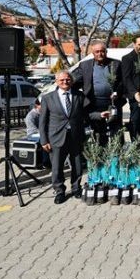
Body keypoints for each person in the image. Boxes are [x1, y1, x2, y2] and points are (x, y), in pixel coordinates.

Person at [39, 71, 86, 204]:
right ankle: (60, 191)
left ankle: (76, 188)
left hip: (75, 136)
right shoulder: (48, 98)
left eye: (68, 79)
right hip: (56, 137)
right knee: (57, 166)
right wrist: (44, 140)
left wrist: (100, 115)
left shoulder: (79, 95)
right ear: (56, 82)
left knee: (77, 164)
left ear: (71, 81)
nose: (65, 82)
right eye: (62, 80)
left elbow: (86, 114)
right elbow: (42, 121)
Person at [72, 40, 124, 146]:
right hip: (94, 104)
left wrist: (118, 93)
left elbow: (124, 83)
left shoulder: (116, 64)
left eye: (102, 51)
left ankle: (117, 153)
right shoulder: (85, 65)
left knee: (116, 131)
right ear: (93, 53)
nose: (100, 54)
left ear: (106, 52)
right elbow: (73, 82)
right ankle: (100, 153)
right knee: (99, 133)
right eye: (97, 51)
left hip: (113, 103)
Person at [120, 35, 140, 139]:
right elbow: (126, 78)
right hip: (135, 96)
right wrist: (135, 93)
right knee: (135, 120)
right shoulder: (127, 58)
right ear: (134, 44)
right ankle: (135, 142)